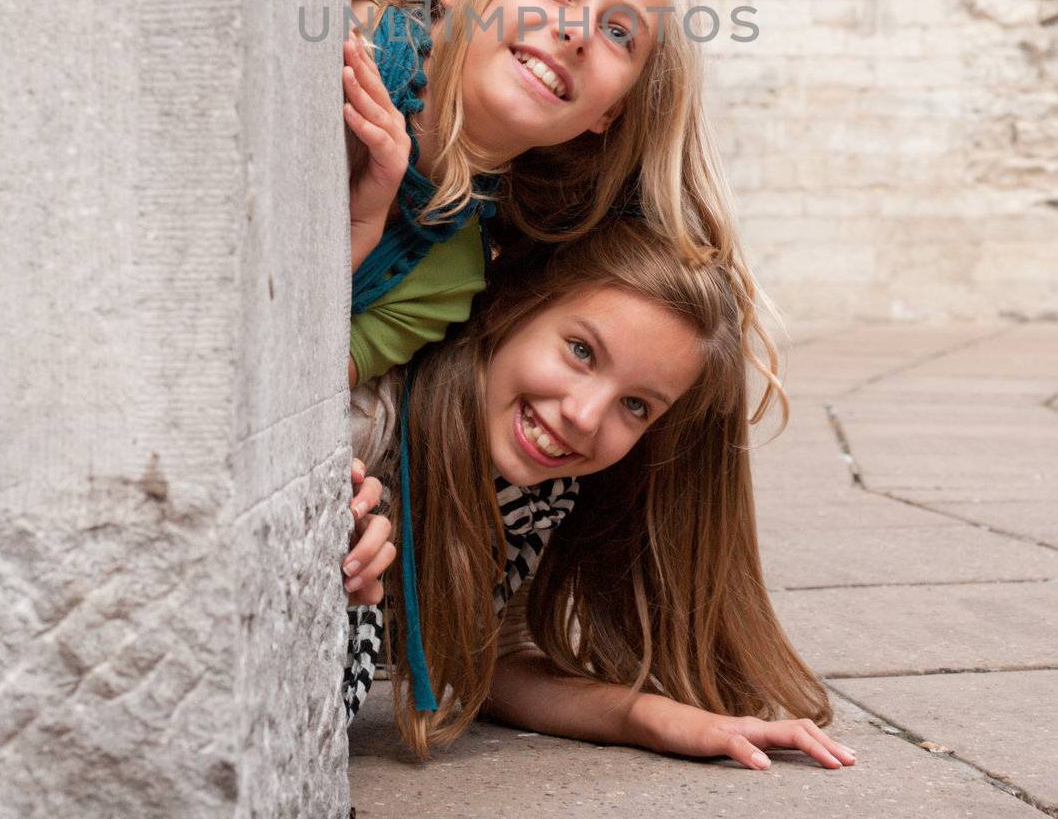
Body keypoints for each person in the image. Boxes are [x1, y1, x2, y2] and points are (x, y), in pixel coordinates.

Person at [343, 222, 857, 774]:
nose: (584, 417)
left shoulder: (536, 497)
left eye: (636, 405)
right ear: (508, 308)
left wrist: (653, 718)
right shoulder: (365, 428)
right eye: (581, 351)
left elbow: (491, 662)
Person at [344, 0, 728, 388]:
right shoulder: (341, 12)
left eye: (620, 34)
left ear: (609, 112)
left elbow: (298, 386)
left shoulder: (448, 281)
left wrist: (359, 227)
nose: (577, 33)